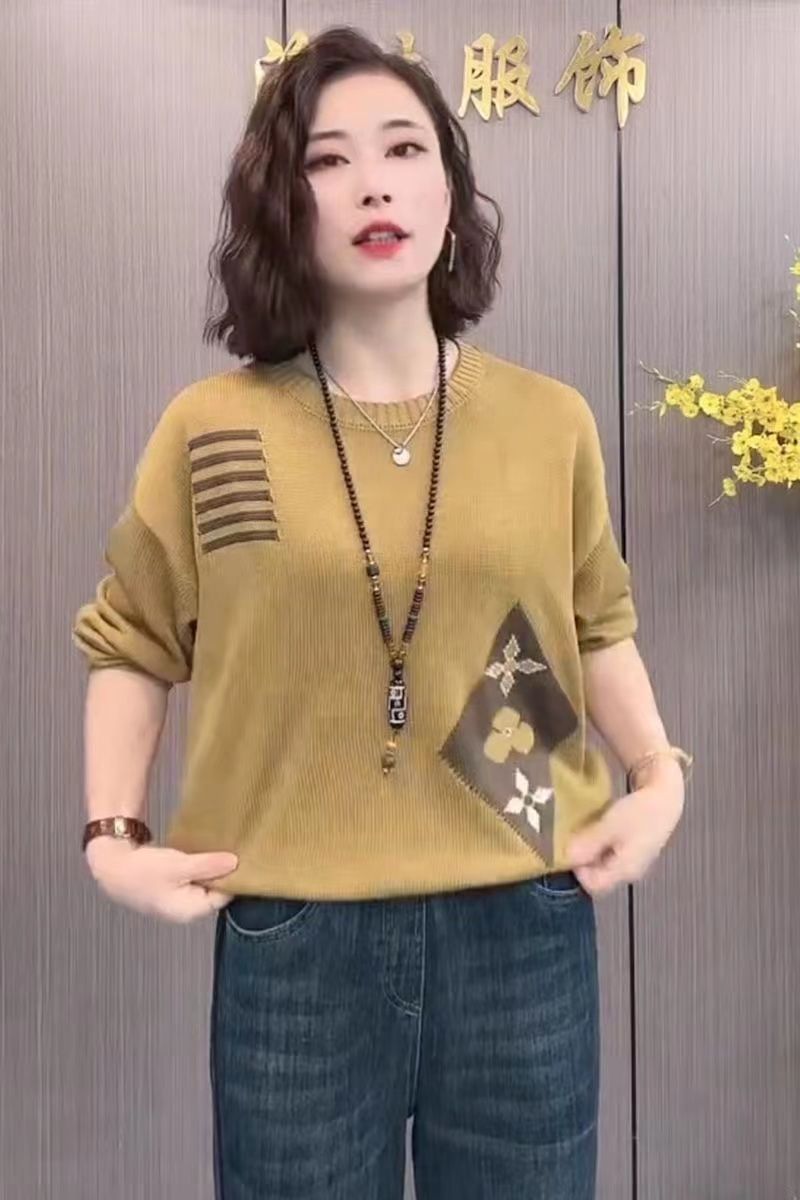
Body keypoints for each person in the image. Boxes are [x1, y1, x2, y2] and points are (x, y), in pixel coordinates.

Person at [73, 25, 691, 1200]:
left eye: (404, 148)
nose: (372, 182)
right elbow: (134, 638)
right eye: (327, 158)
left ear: (449, 194)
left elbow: (594, 621)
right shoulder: (214, 427)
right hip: (295, 938)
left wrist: (657, 776)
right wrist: (114, 838)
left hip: (524, 916)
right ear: (283, 204)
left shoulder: (547, 420)